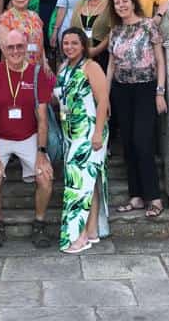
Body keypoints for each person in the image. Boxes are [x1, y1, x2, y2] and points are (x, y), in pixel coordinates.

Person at [0, 30, 56, 249]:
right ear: (2, 49)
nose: (15, 51)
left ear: (26, 48)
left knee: (45, 178)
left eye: (20, 47)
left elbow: (42, 119)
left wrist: (41, 154)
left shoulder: (36, 73)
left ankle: (39, 223)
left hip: (28, 136)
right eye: (10, 47)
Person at [107, 0, 167, 220]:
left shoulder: (148, 25)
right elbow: (111, 65)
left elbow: (160, 61)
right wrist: (105, 96)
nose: (121, 6)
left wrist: (160, 92)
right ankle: (136, 196)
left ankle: (154, 197)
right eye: (117, 3)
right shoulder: (115, 31)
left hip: (146, 88)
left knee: (143, 141)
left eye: (124, 1)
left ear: (133, 2)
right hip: (121, 90)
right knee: (129, 143)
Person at [54, 28, 110, 253]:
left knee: (78, 185)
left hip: (89, 131)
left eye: (74, 43)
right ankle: (93, 229)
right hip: (70, 132)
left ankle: (77, 236)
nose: (69, 47)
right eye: (66, 43)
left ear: (83, 45)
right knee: (89, 182)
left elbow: (103, 99)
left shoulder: (91, 66)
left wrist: (98, 132)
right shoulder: (63, 68)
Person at [0, 0, 47, 74]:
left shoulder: (35, 16)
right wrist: (20, 64)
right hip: (16, 67)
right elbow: (4, 46)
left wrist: (45, 62)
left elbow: (41, 42)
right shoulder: (6, 18)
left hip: (37, 66)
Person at [70, 0, 111, 71]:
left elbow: (113, 31)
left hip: (102, 54)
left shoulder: (111, 4)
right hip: (80, 53)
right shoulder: (80, 4)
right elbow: (72, 30)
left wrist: (97, 50)